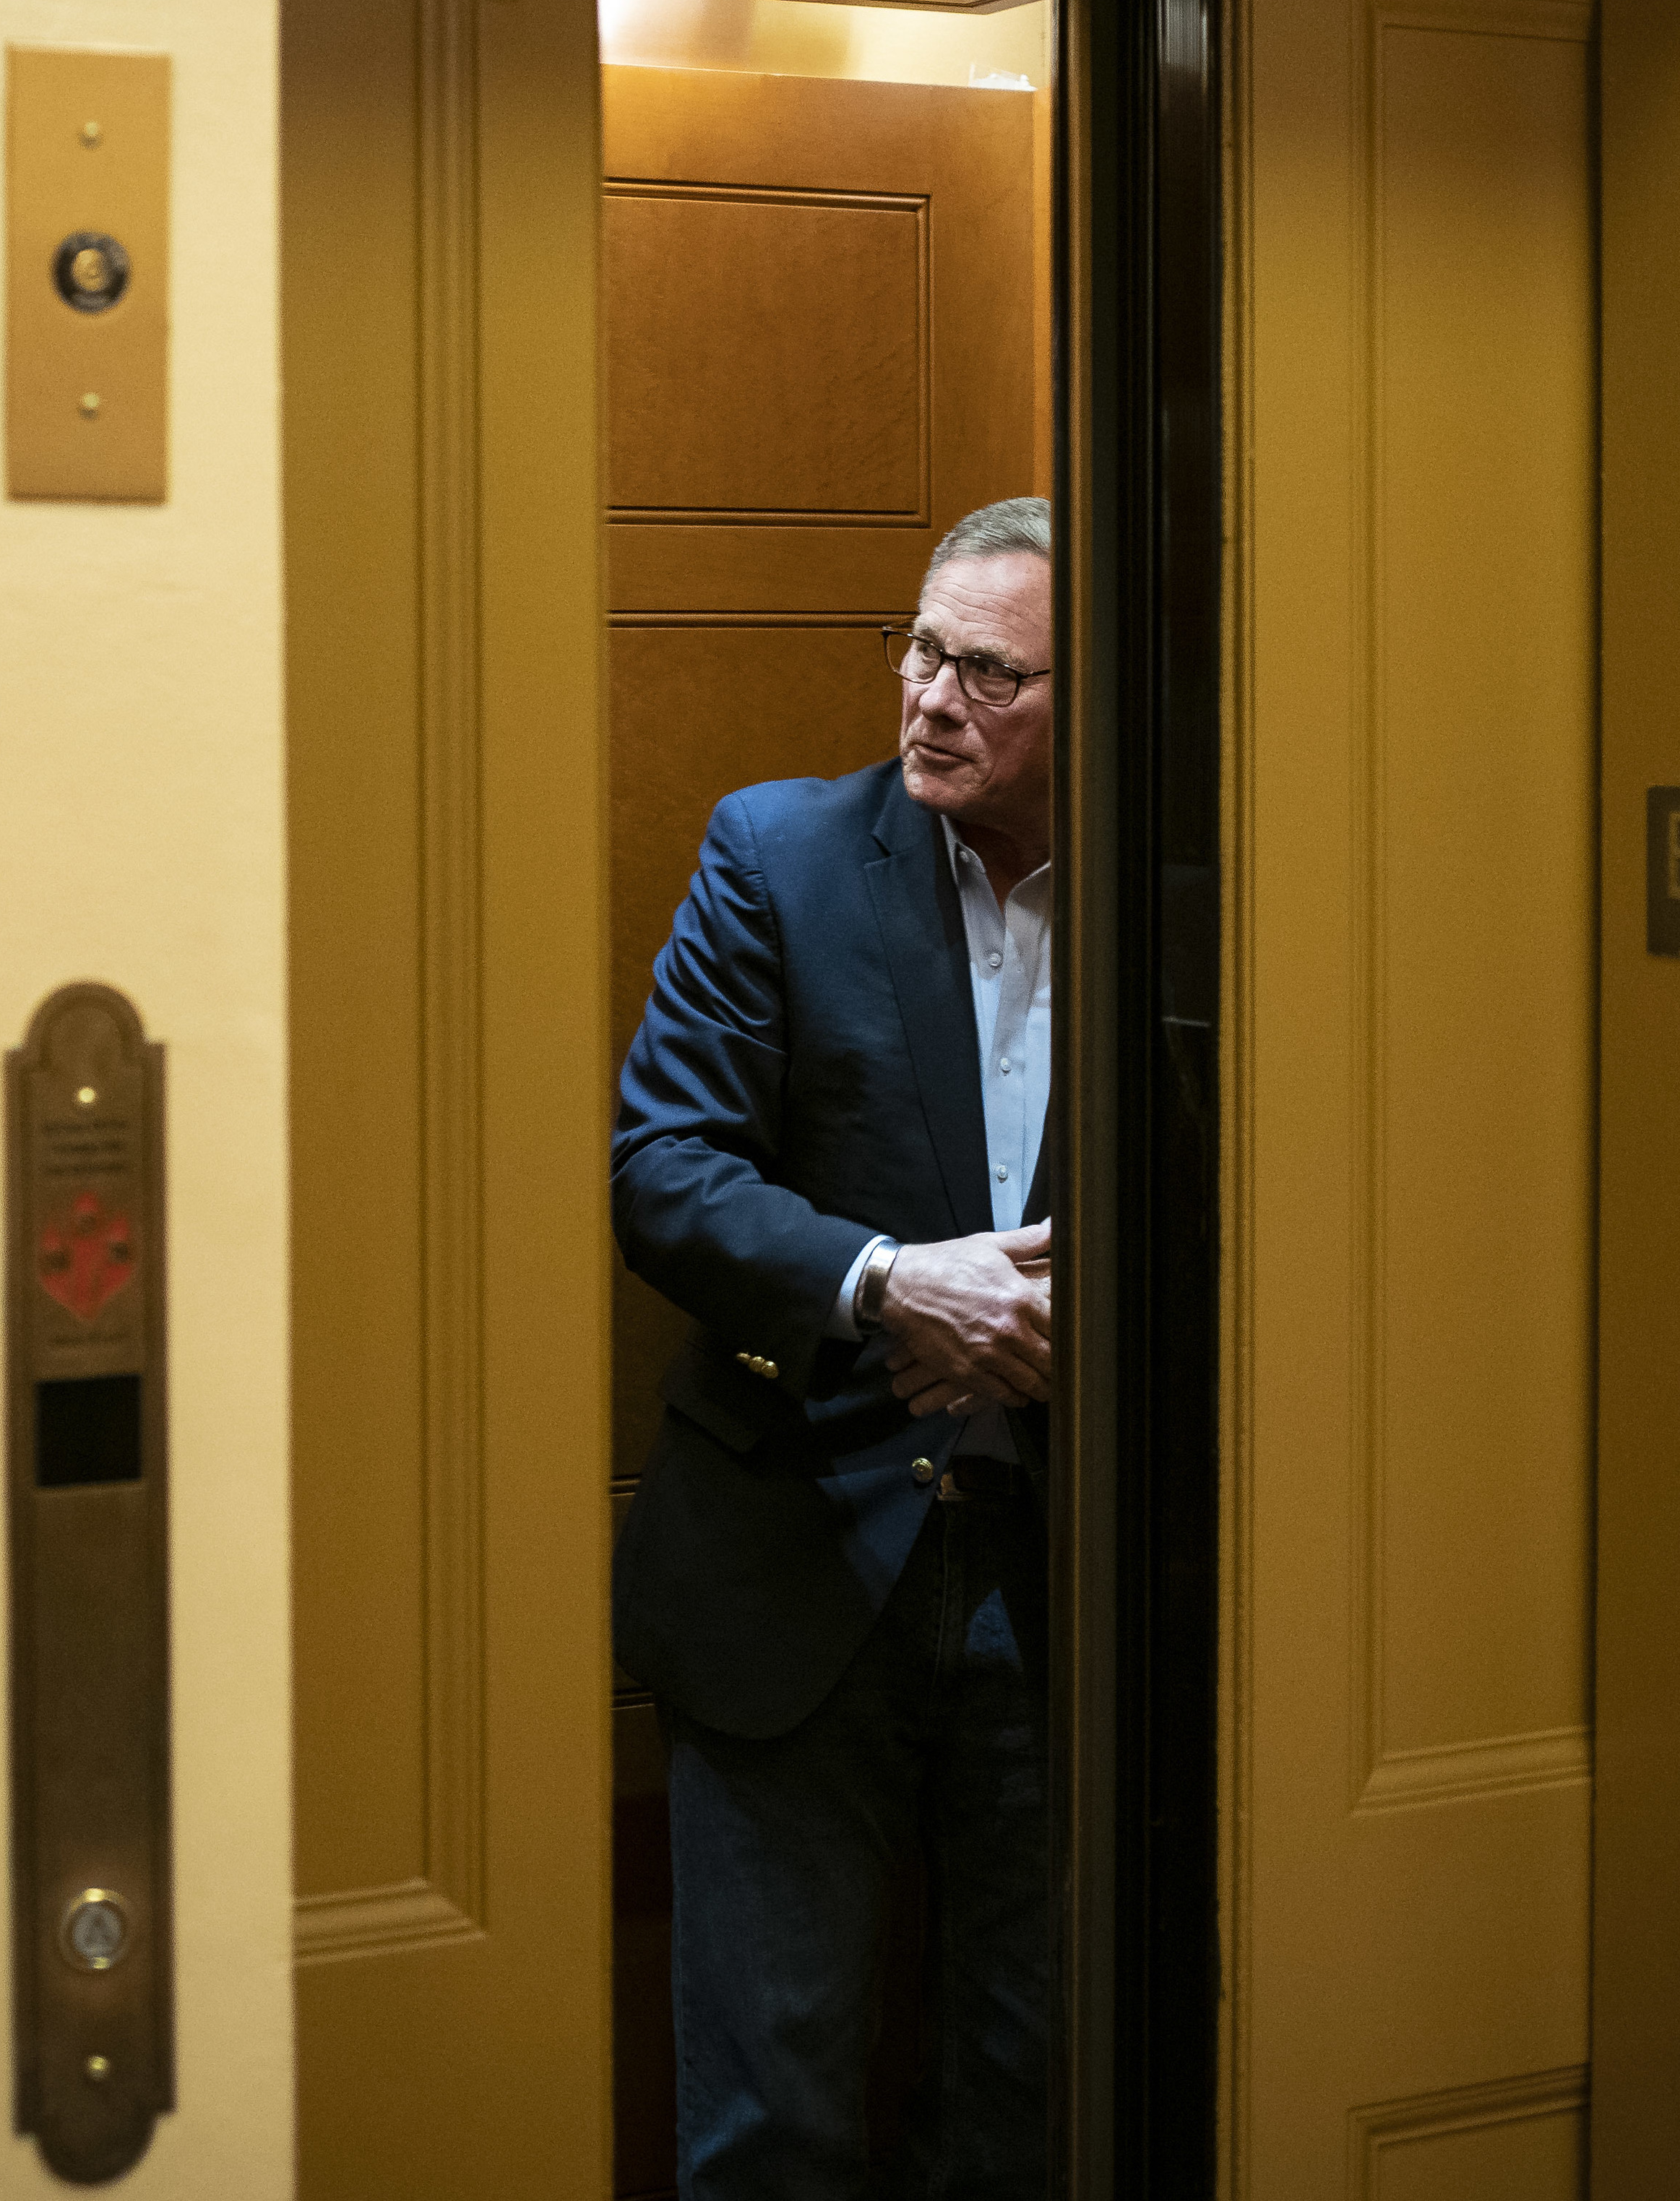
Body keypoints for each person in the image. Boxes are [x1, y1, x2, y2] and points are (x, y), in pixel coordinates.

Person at [611, 495, 1062, 2200]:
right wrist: (890, 1284)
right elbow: (664, 1171)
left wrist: (1056, 1322)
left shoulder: (1199, 896)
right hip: (794, 1565)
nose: (930, 697)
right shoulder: (782, 857)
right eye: (920, 650)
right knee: (773, 2124)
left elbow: (1271, 1203)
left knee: (1025, 2102)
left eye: (990, 672)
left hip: (1066, 1595)